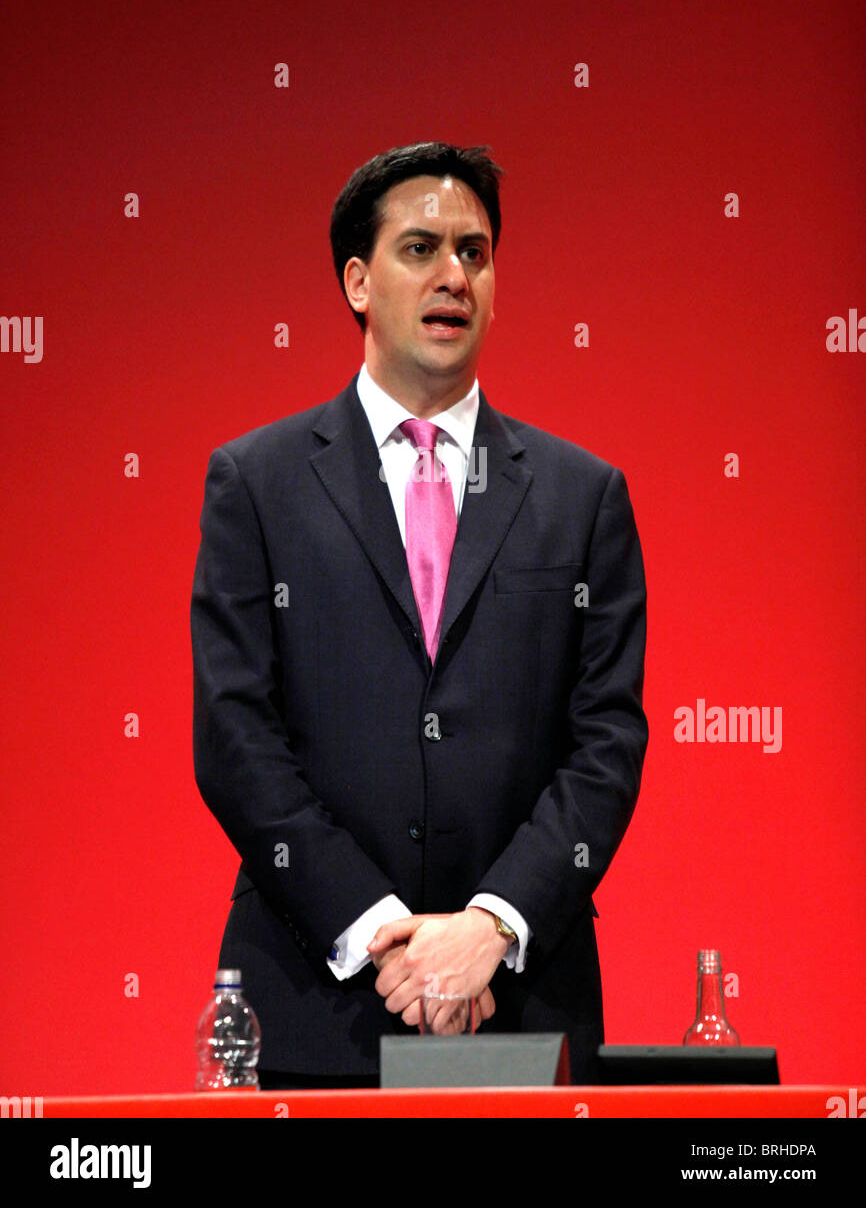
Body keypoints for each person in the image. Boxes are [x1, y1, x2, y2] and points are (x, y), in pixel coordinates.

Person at [191, 141, 648, 1087]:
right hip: (319, 1001)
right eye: (422, 248)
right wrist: (378, 935)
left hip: (521, 999)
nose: (454, 276)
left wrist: (492, 924)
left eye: (475, 253)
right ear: (357, 281)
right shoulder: (258, 483)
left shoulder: (583, 495)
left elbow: (606, 741)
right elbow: (236, 739)